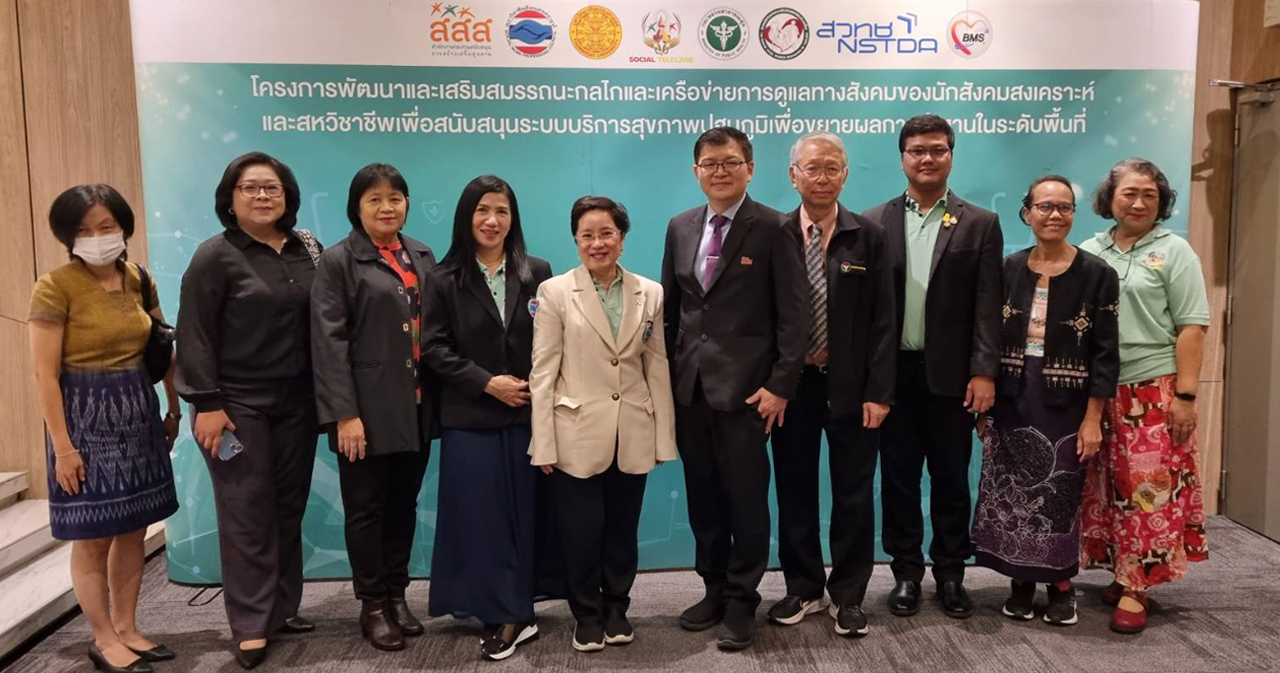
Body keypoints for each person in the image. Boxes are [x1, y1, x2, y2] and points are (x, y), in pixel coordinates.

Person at [661, 126, 808, 650]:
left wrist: (780, 386)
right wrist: (668, 380)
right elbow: (673, 313)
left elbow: (795, 315)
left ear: (750, 168)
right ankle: (714, 588)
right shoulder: (680, 226)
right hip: (690, 391)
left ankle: (744, 599)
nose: (719, 171)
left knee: (745, 501)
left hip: (749, 395)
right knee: (703, 498)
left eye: (729, 162)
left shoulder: (775, 226)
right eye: (709, 163)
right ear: (695, 171)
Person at [176, 152, 321, 669]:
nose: (263, 196)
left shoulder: (307, 249)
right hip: (236, 404)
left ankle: (281, 608)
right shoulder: (214, 256)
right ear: (230, 198)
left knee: (287, 507)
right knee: (246, 512)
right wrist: (206, 403)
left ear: (288, 196)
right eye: (250, 187)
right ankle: (251, 623)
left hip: (300, 401)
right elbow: (194, 333)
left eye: (272, 187)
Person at [29, 184, 180, 673]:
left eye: (107, 227)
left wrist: (173, 409)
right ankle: (102, 637)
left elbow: (162, 345)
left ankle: (128, 627)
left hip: (138, 411)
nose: (97, 238)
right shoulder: (55, 287)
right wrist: (63, 448)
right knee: (93, 536)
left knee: (134, 527)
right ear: (67, 237)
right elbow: (45, 375)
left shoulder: (138, 278)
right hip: (83, 419)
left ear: (123, 228)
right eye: (84, 230)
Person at [862, 114, 1003, 619]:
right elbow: (865, 313)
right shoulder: (872, 222)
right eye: (917, 150)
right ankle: (905, 573)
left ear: (951, 155)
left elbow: (988, 305)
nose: (927, 158)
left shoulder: (979, 223)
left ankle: (950, 572)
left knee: (950, 479)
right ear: (902, 158)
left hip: (954, 379)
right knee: (898, 481)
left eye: (938, 149)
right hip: (892, 377)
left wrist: (984, 371)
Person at [970, 175, 1120, 626]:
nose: (1054, 215)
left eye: (1064, 207)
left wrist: (1093, 418)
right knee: (1010, 488)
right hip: (1011, 395)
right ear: (1027, 213)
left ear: (1073, 213)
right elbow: (986, 335)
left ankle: (1059, 584)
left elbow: (1106, 355)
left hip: (1068, 402)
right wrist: (985, 405)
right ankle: (1019, 580)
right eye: (1045, 206)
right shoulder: (1008, 268)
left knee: (1060, 490)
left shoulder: (1098, 274)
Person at [529, 196, 677, 652]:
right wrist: (543, 442)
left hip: (632, 429)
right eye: (587, 235)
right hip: (574, 433)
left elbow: (657, 366)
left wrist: (663, 437)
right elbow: (543, 371)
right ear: (576, 240)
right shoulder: (555, 292)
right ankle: (586, 614)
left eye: (606, 234)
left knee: (622, 531)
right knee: (580, 534)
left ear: (622, 238)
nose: (597, 243)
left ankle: (617, 609)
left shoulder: (650, 292)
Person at [767, 132, 896, 638]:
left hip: (853, 390)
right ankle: (803, 588)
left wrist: (879, 392)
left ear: (845, 175)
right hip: (792, 388)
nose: (822, 178)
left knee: (854, 495)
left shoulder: (869, 235)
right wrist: (772, 383)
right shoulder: (773, 235)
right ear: (793, 175)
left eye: (832, 168)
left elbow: (884, 320)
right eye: (812, 168)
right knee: (794, 491)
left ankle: (849, 595)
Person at [424, 175, 554, 661]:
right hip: (470, 416)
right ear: (466, 216)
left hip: (526, 413)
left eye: (501, 210)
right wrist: (486, 382)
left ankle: (517, 609)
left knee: (523, 515)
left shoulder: (537, 271)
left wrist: (533, 388)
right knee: (479, 517)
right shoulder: (443, 278)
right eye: (482, 210)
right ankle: (493, 606)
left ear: (512, 218)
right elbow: (434, 348)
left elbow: (553, 339)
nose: (492, 220)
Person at [1079, 158, 1210, 634]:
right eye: (1129, 193)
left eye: (1149, 195)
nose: (1138, 203)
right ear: (1109, 199)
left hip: (1152, 389)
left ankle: (1137, 585)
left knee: (1146, 492)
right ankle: (1120, 569)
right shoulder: (1089, 250)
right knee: (1103, 487)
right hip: (1096, 389)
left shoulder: (1175, 251)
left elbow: (1192, 326)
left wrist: (1186, 396)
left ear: (1162, 202)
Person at [311, 163, 437, 652]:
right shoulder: (338, 260)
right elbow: (328, 343)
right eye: (375, 199)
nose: (387, 208)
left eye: (395, 198)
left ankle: (397, 595)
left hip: (416, 407)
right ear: (357, 207)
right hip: (363, 412)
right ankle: (373, 605)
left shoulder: (421, 254)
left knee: (403, 504)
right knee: (366, 510)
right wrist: (344, 414)